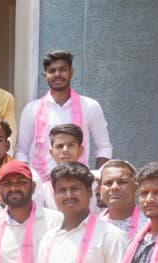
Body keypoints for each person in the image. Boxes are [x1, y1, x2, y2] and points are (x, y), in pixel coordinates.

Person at [16, 50, 112, 181]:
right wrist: (29, 181)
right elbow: (22, 151)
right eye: (52, 71)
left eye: (62, 70)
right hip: (41, 184)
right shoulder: (32, 109)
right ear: (45, 76)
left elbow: (104, 148)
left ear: (71, 72)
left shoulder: (90, 106)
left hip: (79, 183)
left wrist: (98, 179)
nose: (57, 74)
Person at [99, 159, 147, 237]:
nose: (114, 187)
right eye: (108, 183)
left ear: (136, 187)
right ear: (100, 189)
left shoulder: (150, 225)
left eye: (122, 182)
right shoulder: (92, 227)